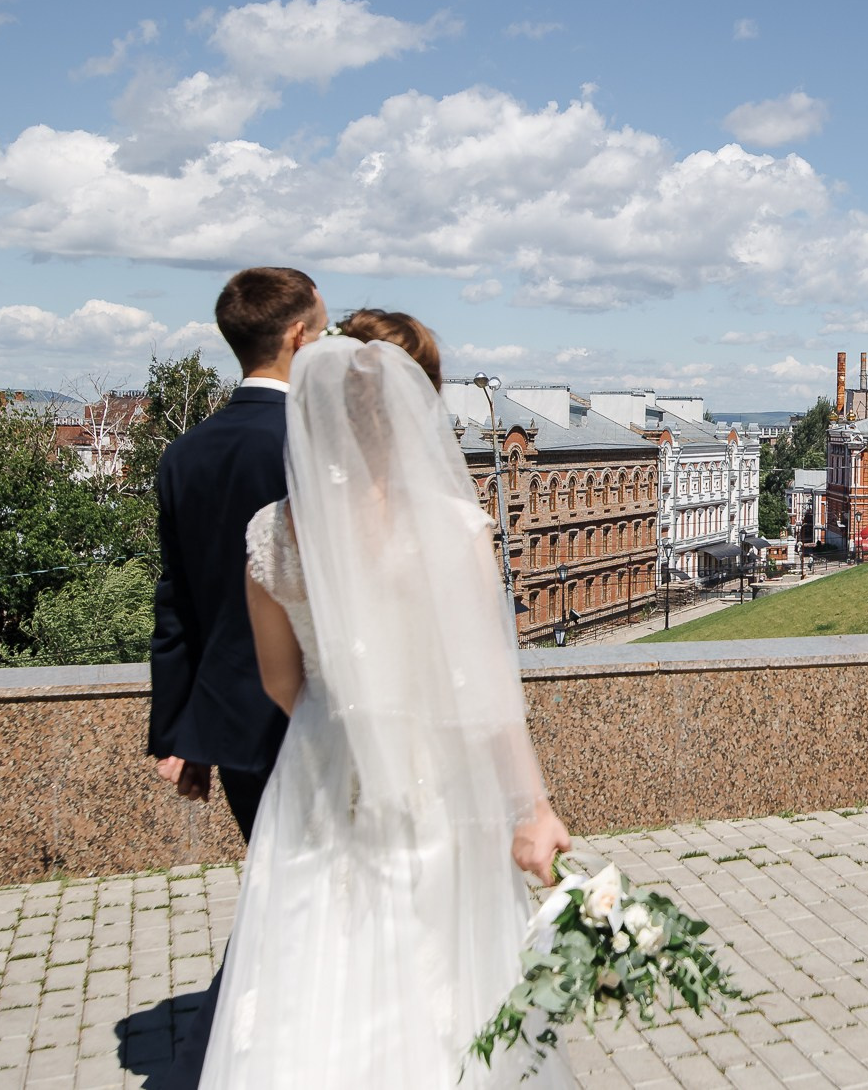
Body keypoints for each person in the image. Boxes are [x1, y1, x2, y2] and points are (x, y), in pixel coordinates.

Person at [199, 321, 575, 1088]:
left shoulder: (273, 533)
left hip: (321, 768)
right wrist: (532, 807)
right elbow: (485, 691)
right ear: (416, 406)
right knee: (439, 966)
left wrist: (341, 717)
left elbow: (280, 680)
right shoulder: (451, 526)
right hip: (435, 776)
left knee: (313, 963)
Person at [149, 266, 328, 841]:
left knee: (276, 892)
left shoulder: (183, 453)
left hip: (232, 727)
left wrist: (184, 733)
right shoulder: (314, 443)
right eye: (323, 334)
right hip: (321, 715)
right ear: (298, 336)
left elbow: (177, 602)